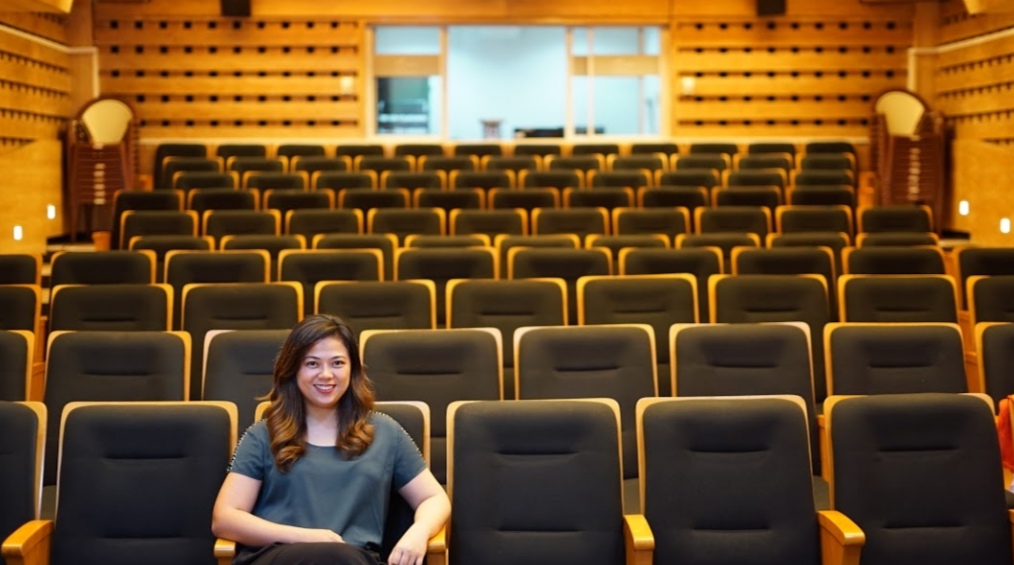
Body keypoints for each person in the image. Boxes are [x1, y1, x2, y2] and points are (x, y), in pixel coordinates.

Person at [212, 314, 450, 565]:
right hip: (278, 557)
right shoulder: (262, 434)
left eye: (337, 363)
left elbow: (434, 498)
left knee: (342, 557)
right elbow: (224, 518)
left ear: (352, 369)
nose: (326, 375)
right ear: (293, 369)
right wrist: (306, 537)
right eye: (312, 364)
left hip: (354, 559)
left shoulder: (386, 432)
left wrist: (419, 531)